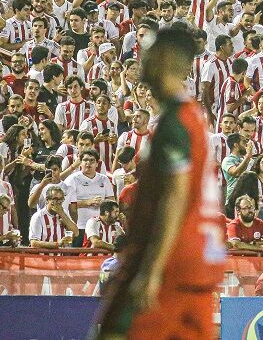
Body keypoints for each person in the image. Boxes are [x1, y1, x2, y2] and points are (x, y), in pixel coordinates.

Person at [96, 26, 226, 340]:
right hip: (202, 260)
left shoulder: (174, 123)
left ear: (164, 58)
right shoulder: (194, 115)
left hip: (171, 260)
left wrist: (151, 270)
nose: (141, 58)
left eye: (148, 51)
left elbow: (175, 198)